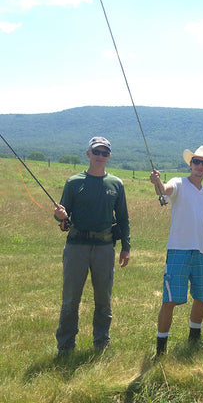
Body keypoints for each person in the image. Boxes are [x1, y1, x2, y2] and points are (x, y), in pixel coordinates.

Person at [54, 136, 130, 355]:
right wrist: (59, 216)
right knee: (70, 299)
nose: (100, 156)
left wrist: (126, 247)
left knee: (103, 300)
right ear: (88, 154)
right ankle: (65, 346)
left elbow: (123, 218)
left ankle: (101, 344)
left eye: (104, 153)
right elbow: (63, 218)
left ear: (109, 156)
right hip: (76, 246)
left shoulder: (116, 184)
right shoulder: (73, 182)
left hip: (105, 247)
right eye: (96, 152)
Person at [150, 145, 203, 355]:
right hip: (178, 250)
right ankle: (161, 348)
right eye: (196, 162)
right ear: (190, 164)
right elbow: (164, 192)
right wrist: (158, 183)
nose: (200, 166)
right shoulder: (178, 183)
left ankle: (194, 340)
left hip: (201, 253)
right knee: (170, 299)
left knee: (201, 298)